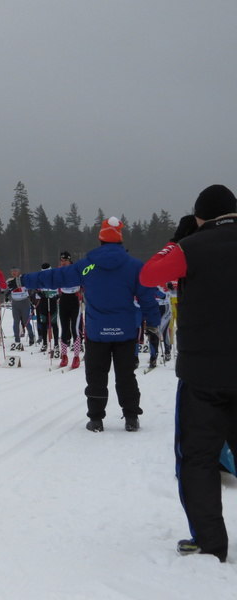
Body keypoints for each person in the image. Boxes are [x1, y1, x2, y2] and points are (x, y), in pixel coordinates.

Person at [140, 184, 237, 562]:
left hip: (203, 375)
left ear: (200, 216)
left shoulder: (191, 247)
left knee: (197, 459)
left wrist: (176, 241)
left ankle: (210, 542)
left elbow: (149, 275)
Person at [20, 216, 159, 432]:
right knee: (126, 375)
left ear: (100, 240)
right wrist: (153, 324)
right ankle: (131, 418)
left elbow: (56, 277)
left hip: (97, 332)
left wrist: (23, 280)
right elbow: (147, 298)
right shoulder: (134, 266)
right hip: (125, 332)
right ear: (120, 240)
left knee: (96, 376)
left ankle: (96, 419)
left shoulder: (88, 266)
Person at [57, 252, 83, 369]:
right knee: (64, 328)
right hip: (63, 299)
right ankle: (64, 356)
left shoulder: (76, 269)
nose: (63, 263)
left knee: (75, 329)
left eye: (65, 261)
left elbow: (83, 281)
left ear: (69, 261)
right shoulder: (59, 270)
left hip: (74, 299)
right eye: (61, 261)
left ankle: (76, 356)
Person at [6, 267, 35, 347]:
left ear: (19, 272)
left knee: (26, 321)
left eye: (15, 271)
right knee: (16, 322)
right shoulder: (9, 281)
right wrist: (6, 295)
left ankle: (31, 337)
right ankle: (17, 339)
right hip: (15, 303)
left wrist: (31, 295)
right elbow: (5, 289)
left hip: (24, 302)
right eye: (12, 271)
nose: (14, 273)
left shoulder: (23, 280)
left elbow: (31, 288)